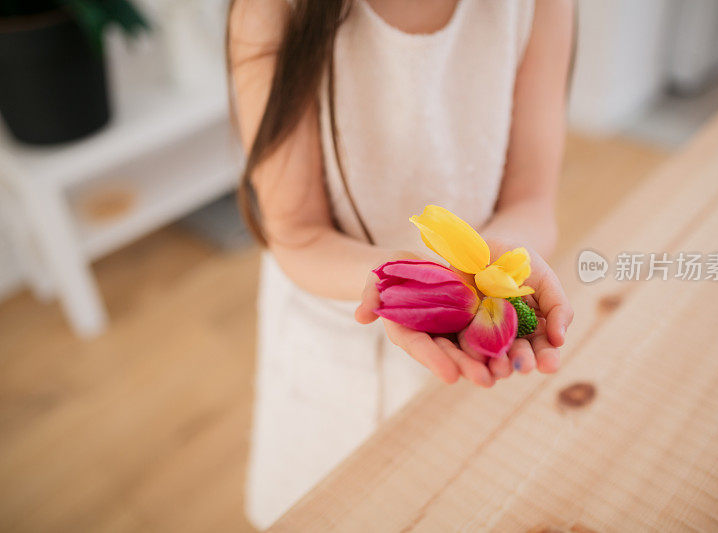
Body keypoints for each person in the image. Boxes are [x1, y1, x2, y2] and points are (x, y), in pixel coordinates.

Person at [227, 0, 575, 528]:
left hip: (462, 376)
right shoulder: (271, 11)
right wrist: (403, 284)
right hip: (324, 341)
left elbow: (533, 201)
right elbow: (297, 234)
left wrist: (491, 266)